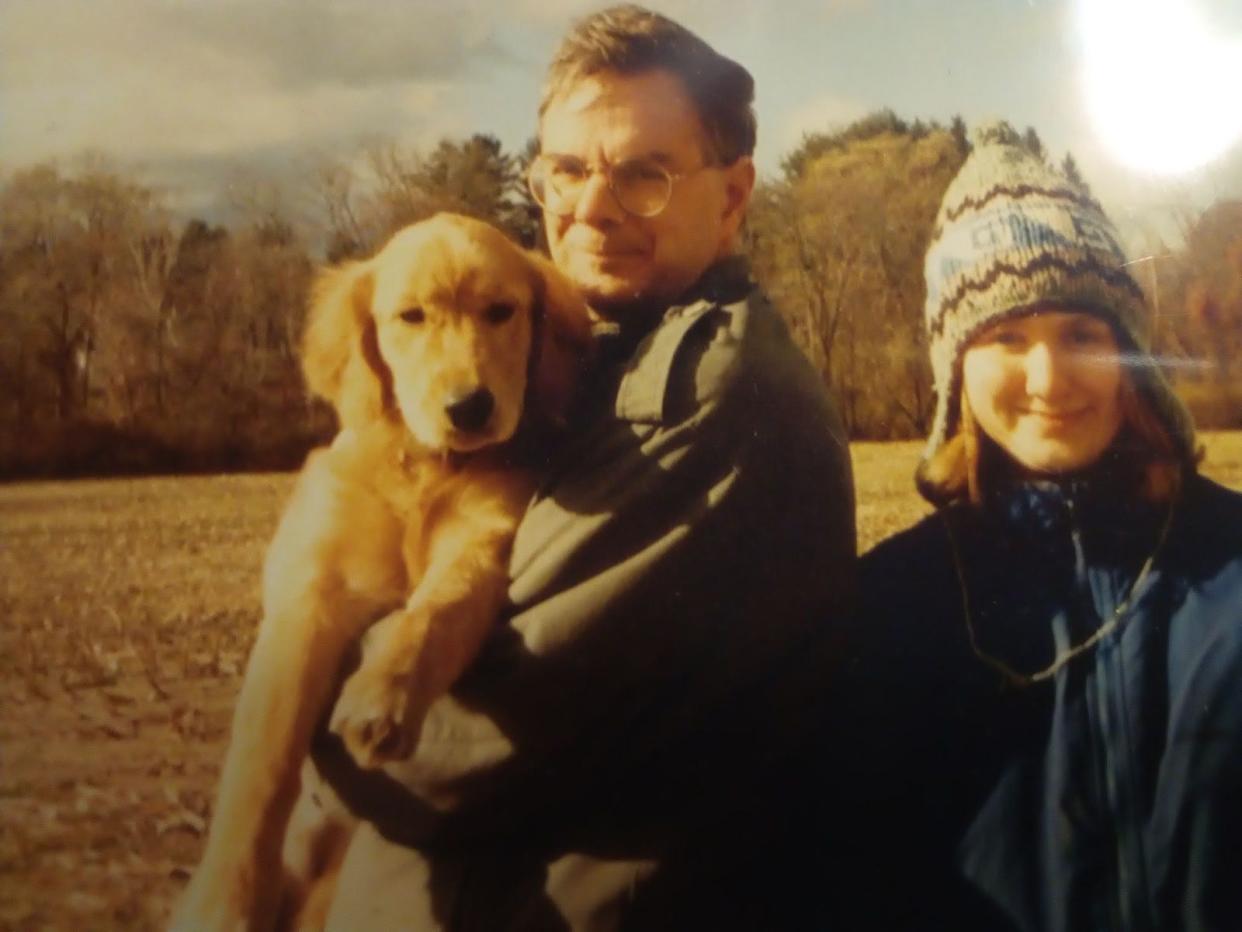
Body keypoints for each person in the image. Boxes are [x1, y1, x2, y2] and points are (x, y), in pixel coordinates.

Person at [313, 6, 855, 929]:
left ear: (732, 197)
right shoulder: (589, 364)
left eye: (644, 175)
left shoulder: (702, 393)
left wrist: (302, 672)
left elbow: (442, 746)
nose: (591, 209)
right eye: (565, 170)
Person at [832, 122, 1242, 930]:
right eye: (1007, 338)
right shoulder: (889, 608)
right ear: (956, 370)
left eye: (1082, 335)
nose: (1048, 378)